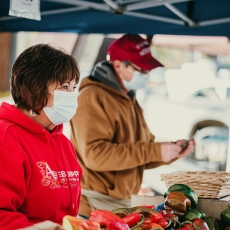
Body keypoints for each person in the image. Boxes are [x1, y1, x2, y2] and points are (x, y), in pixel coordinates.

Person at [70, 34, 195, 218]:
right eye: (141, 69)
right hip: (95, 205)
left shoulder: (129, 99)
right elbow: (95, 155)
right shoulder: (92, 97)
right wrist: (154, 151)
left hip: (120, 201)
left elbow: (139, 154)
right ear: (118, 64)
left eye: (147, 70)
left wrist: (170, 152)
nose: (145, 75)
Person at [0, 44, 82, 229]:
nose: (71, 95)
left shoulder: (63, 142)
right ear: (34, 88)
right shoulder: (5, 139)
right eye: (63, 87)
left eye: (73, 87)